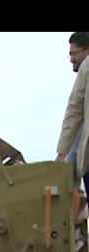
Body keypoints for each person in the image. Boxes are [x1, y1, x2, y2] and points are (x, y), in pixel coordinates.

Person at [56, 32, 89, 195]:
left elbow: (74, 112)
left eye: (74, 53)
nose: (71, 59)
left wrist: (62, 153)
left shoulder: (86, 67)